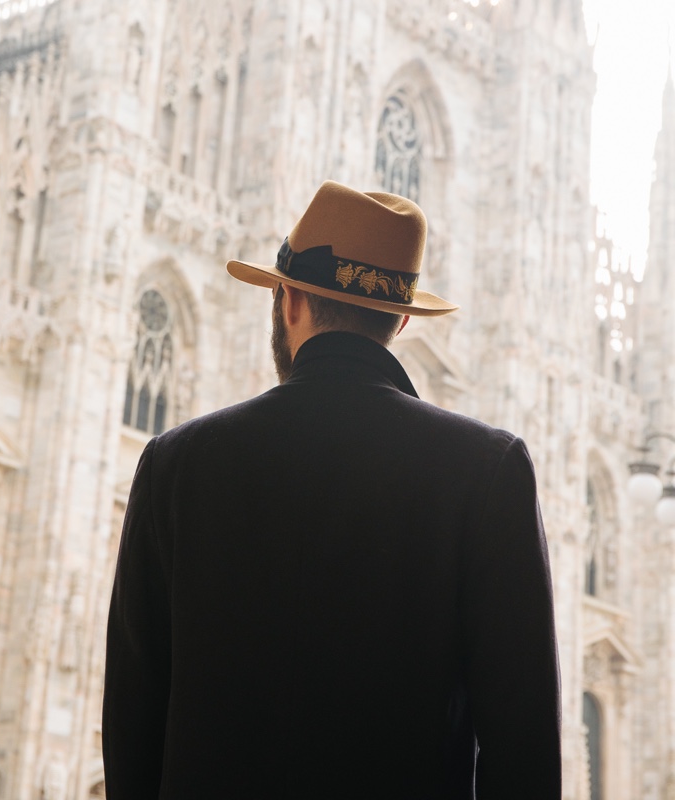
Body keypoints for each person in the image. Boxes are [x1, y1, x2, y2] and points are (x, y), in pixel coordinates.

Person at [103, 181, 561, 798]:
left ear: (288, 300)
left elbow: (132, 731)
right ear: (400, 321)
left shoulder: (175, 466)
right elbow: (523, 749)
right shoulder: (486, 472)